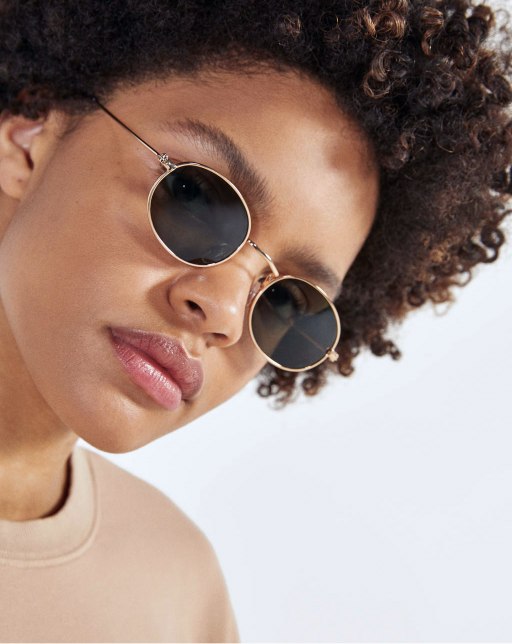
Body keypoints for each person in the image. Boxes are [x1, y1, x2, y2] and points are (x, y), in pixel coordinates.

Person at [0, 0, 510, 642]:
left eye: (289, 301)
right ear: (29, 137)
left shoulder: (177, 588)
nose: (223, 316)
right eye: (195, 199)